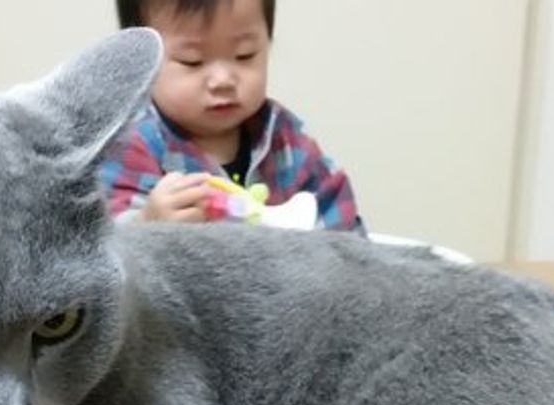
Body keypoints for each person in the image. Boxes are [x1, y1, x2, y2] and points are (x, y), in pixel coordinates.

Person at [102, 0, 365, 233]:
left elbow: (342, 221)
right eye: (192, 61)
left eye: (244, 55)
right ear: (139, 62)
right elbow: (101, 253)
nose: (223, 80)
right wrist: (148, 221)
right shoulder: (131, 144)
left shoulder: (285, 139)